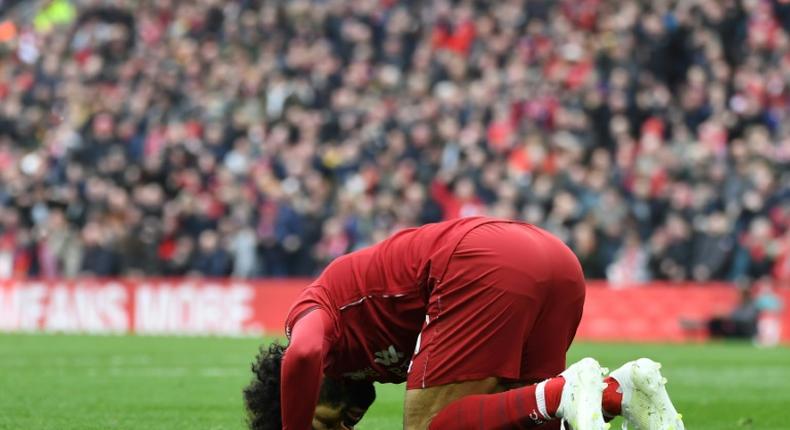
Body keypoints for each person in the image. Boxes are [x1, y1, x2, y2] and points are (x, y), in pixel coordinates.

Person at [244, 217, 684, 429]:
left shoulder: (310, 310)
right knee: (530, 420)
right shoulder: (363, 367)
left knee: (426, 429)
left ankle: (562, 389)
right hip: (553, 260)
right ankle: (621, 391)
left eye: (321, 426)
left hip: (480, 262)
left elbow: (301, 354)